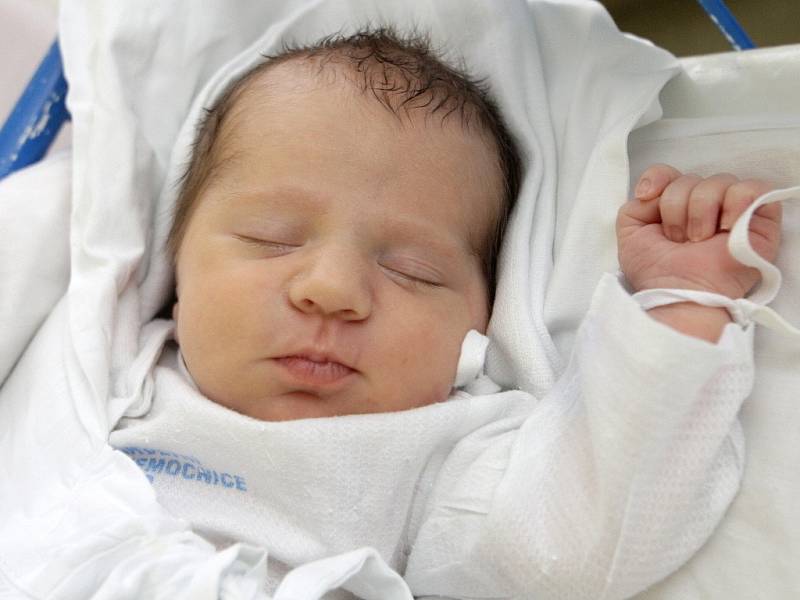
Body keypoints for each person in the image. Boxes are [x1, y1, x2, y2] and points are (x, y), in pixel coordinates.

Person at [110, 29, 781, 598]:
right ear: (174, 265)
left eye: (413, 271)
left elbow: (575, 530)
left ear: (484, 320)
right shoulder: (100, 371)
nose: (333, 288)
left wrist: (682, 304)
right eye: (271, 237)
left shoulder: (437, 451)